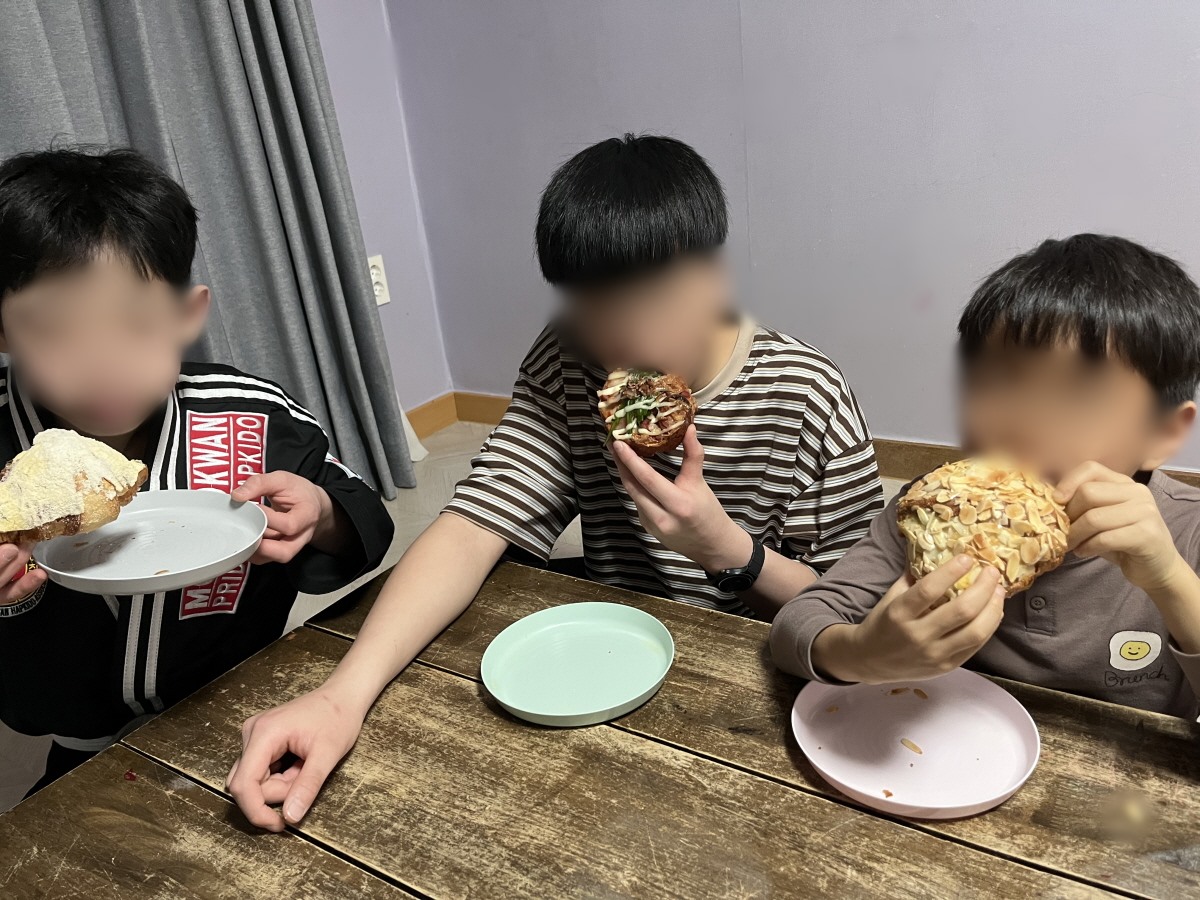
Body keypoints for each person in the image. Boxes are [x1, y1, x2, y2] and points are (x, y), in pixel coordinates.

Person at [228, 134, 884, 830]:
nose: (624, 343)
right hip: (605, 659)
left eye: (654, 304)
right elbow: (472, 526)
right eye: (595, 313)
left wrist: (725, 549)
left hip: (758, 685)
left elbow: (855, 616)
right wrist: (340, 699)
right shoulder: (569, 360)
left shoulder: (807, 395)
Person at [0, 147, 394, 795]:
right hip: (79, 746)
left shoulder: (252, 414)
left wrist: (323, 517)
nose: (105, 364)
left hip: (242, 714)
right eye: (56, 332)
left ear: (187, 314)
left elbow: (365, 517)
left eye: (138, 324)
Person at [771, 233, 1200, 719]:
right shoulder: (931, 511)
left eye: (1077, 395)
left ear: (1162, 432)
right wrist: (862, 652)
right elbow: (797, 623)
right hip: (938, 738)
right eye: (996, 383)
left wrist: (1170, 580)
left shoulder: (1187, 533)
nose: (1023, 423)